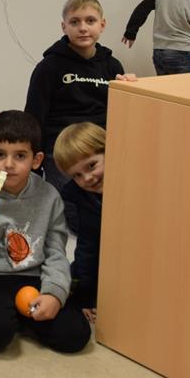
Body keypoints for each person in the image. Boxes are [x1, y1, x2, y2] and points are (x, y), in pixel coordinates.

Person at [0, 111, 91, 354]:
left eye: (20, 156)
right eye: (0, 155)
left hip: (32, 275)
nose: (8, 164)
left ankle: (23, 315)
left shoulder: (49, 196)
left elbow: (55, 252)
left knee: (75, 334)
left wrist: (54, 294)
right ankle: (11, 315)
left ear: (36, 160)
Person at [24, 0, 133, 231]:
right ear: (64, 27)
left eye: (90, 21)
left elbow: (121, 114)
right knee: (76, 213)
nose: (83, 28)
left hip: (100, 145)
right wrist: (35, 158)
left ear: (102, 25)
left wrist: (132, 90)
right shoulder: (48, 67)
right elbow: (34, 116)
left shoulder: (112, 66)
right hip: (61, 148)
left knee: (121, 200)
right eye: (75, 22)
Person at [53, 122, 106, 322]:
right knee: (75, 272)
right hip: (101, 263)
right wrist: (85, 298)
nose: (88, 178)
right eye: (77, 175)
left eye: (92, 166)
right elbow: (88, 248)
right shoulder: (84, 198)